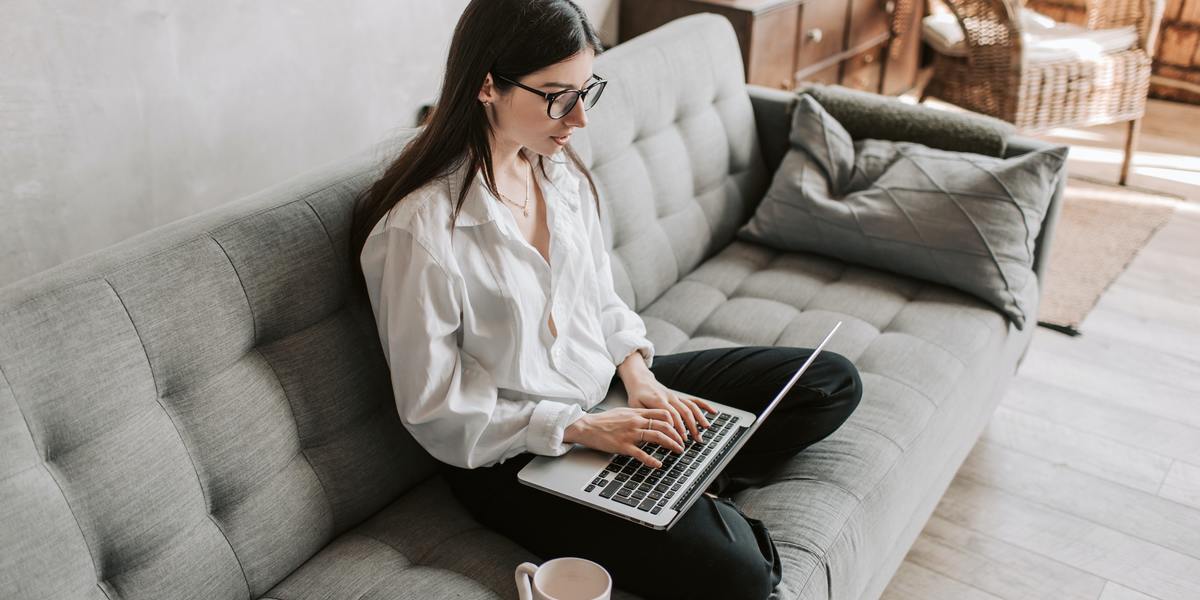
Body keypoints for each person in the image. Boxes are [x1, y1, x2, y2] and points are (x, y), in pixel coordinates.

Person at [350, 1, 862, 598]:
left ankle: (683, 478)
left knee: (828, 382)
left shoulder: (554, 169)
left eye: (584, 91)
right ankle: (681, 488)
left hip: (608, 392)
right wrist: (581, 429)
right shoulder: (420, 233)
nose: (578, 119)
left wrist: (640, 376)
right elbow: (436, 409)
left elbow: (600, 297)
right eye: (556, 96)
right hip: (514, 455)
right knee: (743, 575)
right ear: (486, 84)